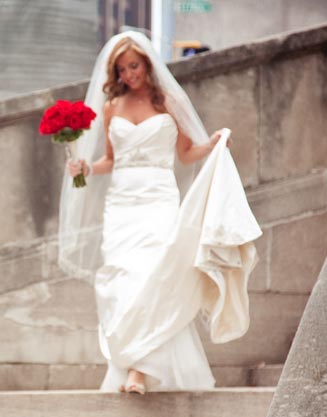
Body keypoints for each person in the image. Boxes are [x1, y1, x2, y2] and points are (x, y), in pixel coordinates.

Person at [59, 31, 261, 395]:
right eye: (121, 69)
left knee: (154, 276)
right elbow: (111, 159)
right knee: (122, 280)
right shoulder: (111, 108)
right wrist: (86, 168)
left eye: (133, 66)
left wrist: (212, 145)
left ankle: (139, 369)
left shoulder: (167, 100)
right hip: (121, 204)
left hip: (158, 200)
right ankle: (135, 366)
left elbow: (185, 154)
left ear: (147, 65)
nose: (128, 75)